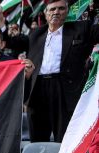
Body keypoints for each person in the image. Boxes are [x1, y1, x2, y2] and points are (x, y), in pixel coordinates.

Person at [26, 0, 99, 142]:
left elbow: (97, 33)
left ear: (67, 11)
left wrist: (95, 11)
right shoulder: (35, 35)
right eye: (52, 9)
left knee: (65, 139)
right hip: (38, 90)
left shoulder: (80, 29)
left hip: (64, 90)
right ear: (46, 14)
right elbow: (12, 42)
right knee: (38, 139)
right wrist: (0, 22)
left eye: (61, 9)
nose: (56, 12)